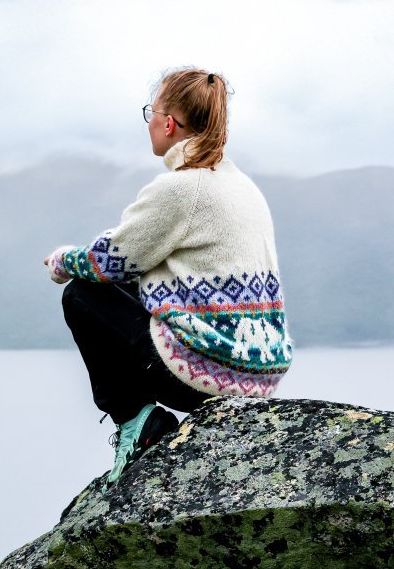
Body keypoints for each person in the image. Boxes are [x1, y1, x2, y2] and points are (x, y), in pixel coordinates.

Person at [45, 68, 293, 485]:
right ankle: (141, 419)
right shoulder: (242, 186)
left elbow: (109, 263)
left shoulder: (181, 189)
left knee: (82, 295)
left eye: (151, 112)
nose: (149, 122)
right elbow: (138, 250)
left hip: (211, 375)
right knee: (124, 284)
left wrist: (62, 261)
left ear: (169, 123)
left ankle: (135, 422)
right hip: (260, 373)